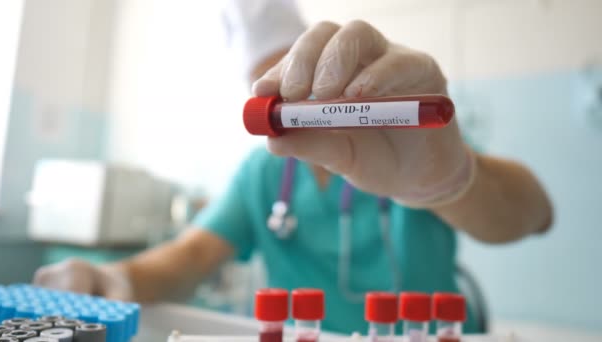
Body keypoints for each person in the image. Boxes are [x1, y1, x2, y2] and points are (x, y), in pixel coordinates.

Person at [33, 0, 553, 335]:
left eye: (293, 70)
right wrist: (110, 279)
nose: (288, 98)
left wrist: (452, 181)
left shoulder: (412, 141)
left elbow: (536, 214)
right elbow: (190, 257)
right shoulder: (263, 175)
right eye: (267, 87)